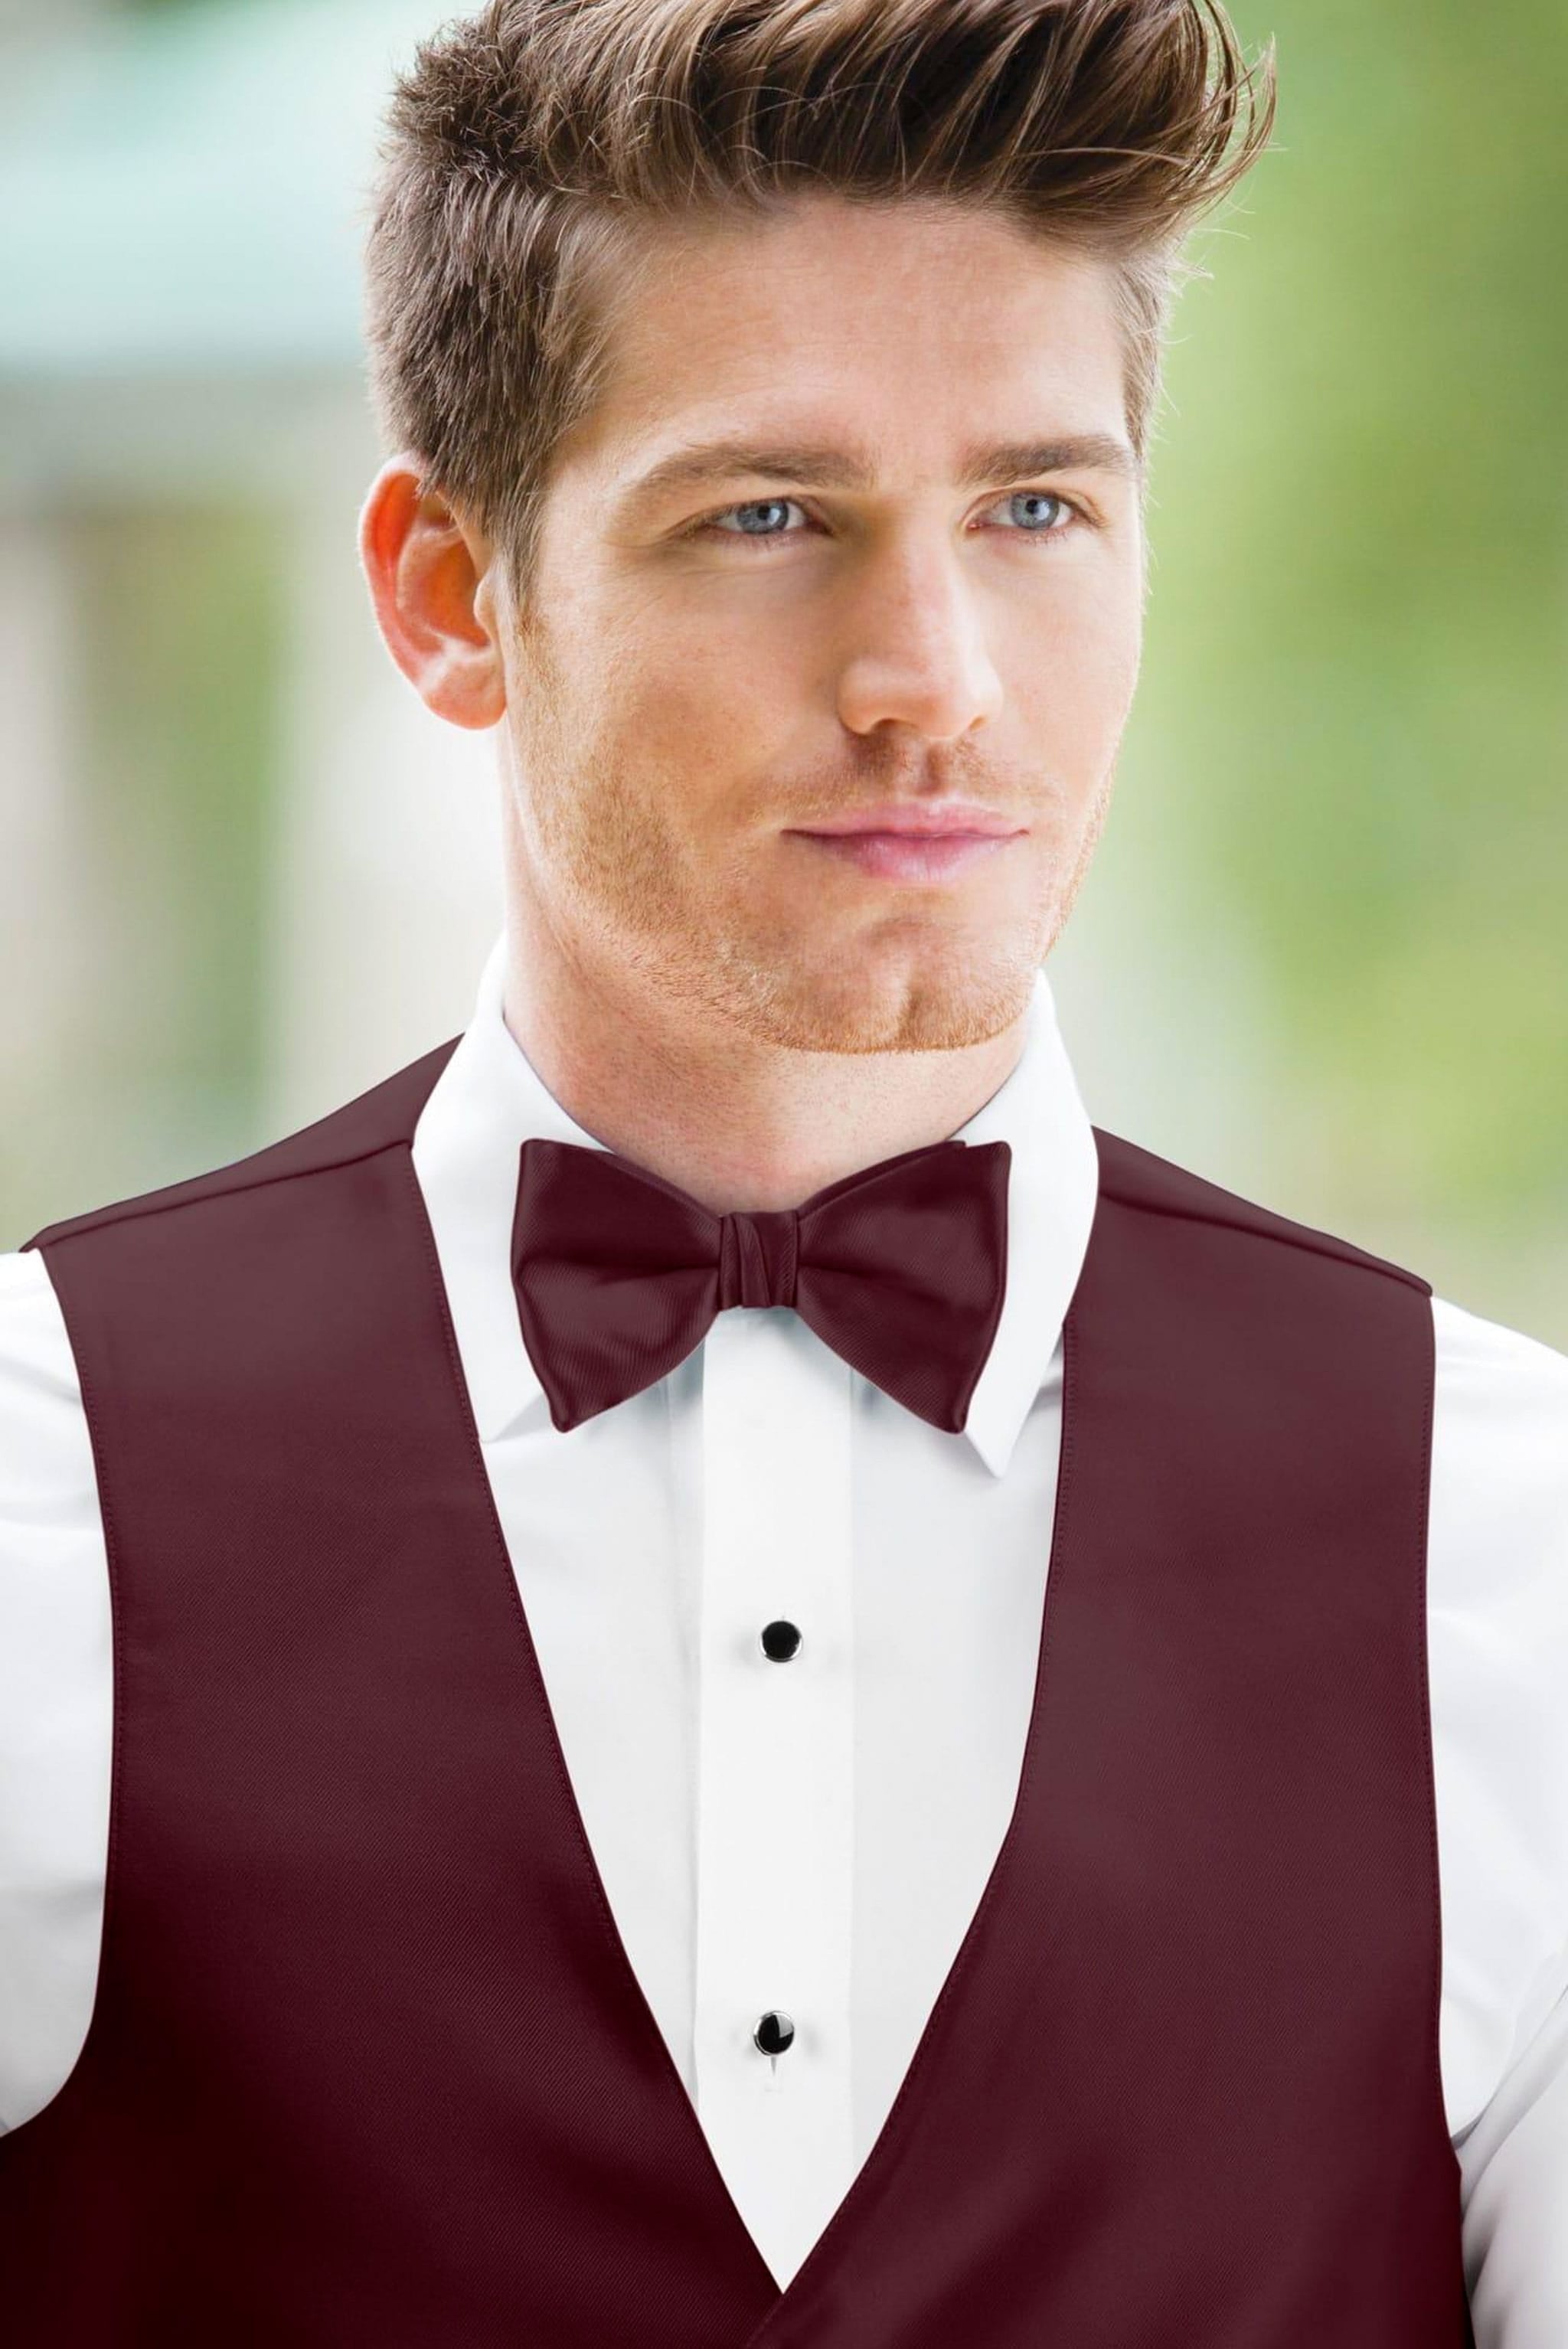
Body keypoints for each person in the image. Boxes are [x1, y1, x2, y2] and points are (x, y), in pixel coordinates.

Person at [0, 0, 1562, 2338]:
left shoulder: (1514, 1544)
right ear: (449, 595)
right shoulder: (34, 1493)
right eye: (768, 517)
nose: (931, 673)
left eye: (1035, 507)